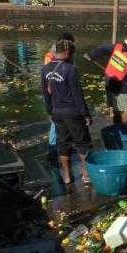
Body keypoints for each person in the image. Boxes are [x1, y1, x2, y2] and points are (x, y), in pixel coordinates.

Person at [42, 39, 92, 185]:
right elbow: (77, 95)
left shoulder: (45, 69)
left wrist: (49, 112)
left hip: (56, 112)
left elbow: (45, 94)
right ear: (67, 52)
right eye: (72, 53)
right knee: (82, 142)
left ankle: (66, 176)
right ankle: (86, 173)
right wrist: (86, 114)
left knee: (62, 143)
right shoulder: (70, 69)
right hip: (72, 111)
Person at [87, 34, 127, 124]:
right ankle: (124, 128)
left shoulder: (118, 47)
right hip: (123, 87)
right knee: (126, 109)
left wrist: (90, 54)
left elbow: (102, 48)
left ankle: (117, 126)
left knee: (116, 108)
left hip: (109, 82)